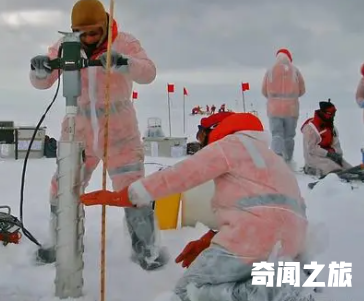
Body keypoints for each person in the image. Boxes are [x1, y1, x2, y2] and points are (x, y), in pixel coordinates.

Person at [79, 112, 316, 301]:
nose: (203, 143)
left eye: (203, 135)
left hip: (249, 240)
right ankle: (283, 284)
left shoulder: (229, 145)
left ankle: (269, 293)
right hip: (290, 242)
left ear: (216, 130)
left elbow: (181, 174)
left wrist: (129, 195)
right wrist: (212, 236)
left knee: (188, 291)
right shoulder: (272, 158)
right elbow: (271, 208)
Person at [28, 0, 167, 270]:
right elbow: (43, 83)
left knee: (133, 192)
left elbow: (148, 72)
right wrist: (39, 69)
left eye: (93, 32)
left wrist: (124, 63)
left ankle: (146, 251)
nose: (89, 38)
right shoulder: (66, 46)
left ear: (104, 25)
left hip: (120, 135)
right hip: (78, 134)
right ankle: (61, 243)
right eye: (82, 33)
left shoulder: (124, 42)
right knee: (63, 188)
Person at [261, 48, 306, 168]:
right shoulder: (295, 71)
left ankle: (277, 161)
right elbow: (302, 90)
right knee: (289, 136)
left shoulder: (270, 71)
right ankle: (288, 161)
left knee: (276, 134)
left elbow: (264, 91)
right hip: (291, 109)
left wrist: (274, 98)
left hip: (274, 109)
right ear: (289, 58)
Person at [301, 99, 352, 177]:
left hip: (330, 155)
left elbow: (335, 143)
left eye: (333, 114)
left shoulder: (331, 128)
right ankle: (310, 169)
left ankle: (350, 172)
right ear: (323, 113)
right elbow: (312, 148)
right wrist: (328, 154)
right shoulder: (310, 128)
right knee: (332, 168)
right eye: (330, 114)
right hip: (313, 156)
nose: (332, 116)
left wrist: (337, 155)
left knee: (347, 167)